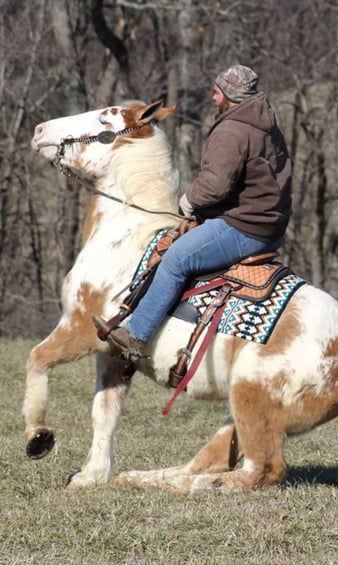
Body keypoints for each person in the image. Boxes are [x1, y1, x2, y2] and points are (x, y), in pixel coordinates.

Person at [100, 64, 293, 360]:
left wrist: (188, 202)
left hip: (243, 228)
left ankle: (136, 335)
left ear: (230, 95)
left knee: (176, 259)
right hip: (268, 227)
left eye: (217, 92)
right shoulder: (265, 124)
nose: (213, 98)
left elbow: (215, 186)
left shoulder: (232, 130)